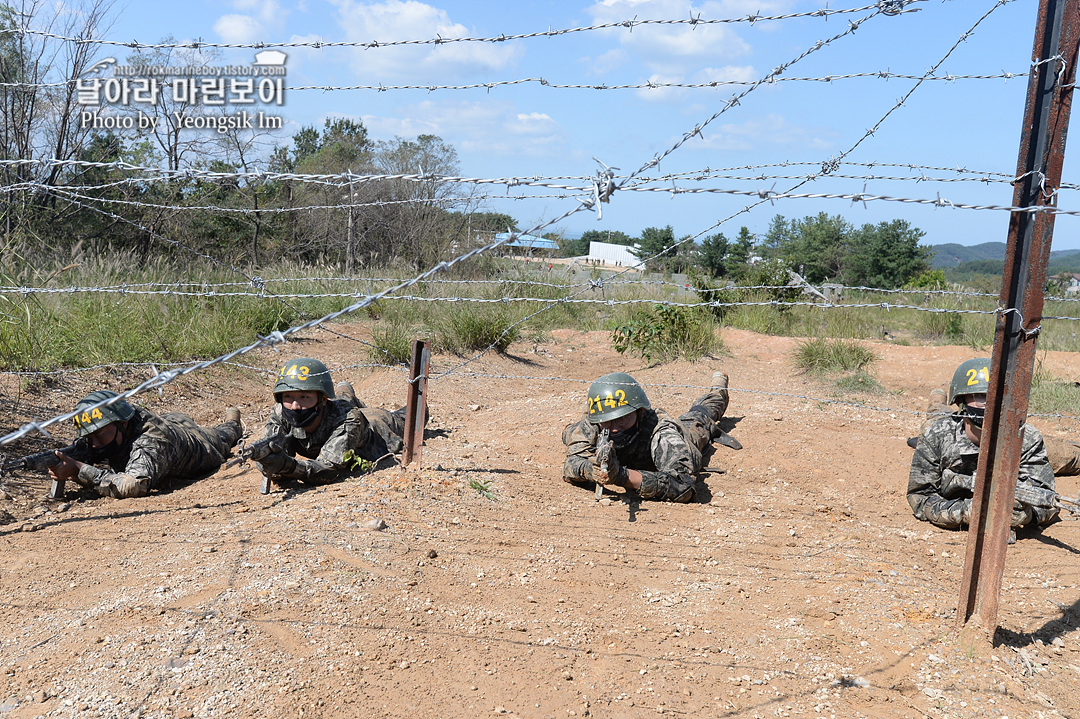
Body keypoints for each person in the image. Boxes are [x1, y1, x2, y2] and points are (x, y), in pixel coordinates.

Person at [907, 358, 1058, 533]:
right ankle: (937, 397)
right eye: (980, 396)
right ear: (961, 401)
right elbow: (920, 497)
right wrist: (965, 512)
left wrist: (1028, 515)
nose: (989, 404)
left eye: (996, 397)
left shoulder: (1026, 439)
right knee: (936, 413)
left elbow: (1050, 501)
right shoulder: (936, 435)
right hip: (946, 423)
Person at [561, 371, 740, 503]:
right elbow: (571, 463)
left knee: (700, 416)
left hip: (686, 435)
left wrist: (622, 476)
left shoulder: (662, 433)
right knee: (569, 434)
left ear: (639, 412)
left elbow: (684, 487)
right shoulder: (598, 419)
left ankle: (718, 389)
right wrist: (590, 470)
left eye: (622, 420)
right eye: (607, 422)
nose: (614, 429)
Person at [48, 390, 242, 498]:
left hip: (198, 443)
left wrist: (79, 470)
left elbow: (131, 486)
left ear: (122, 425)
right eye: (89, 438)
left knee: (224, 435)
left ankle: (233, 420)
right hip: (172, 422)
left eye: (98, 435)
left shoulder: (151, 441)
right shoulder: (115, 418)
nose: (94, 444)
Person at [254, 357, 409, 486]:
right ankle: (344, 389)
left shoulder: (348, 419)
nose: (295, 406)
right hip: (330, 409)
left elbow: (328, 470)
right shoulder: (280, 412)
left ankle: (347, 394)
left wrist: (287, 466)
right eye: (288, 397)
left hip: (374, 428)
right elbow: (275, 450)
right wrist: (266, 461)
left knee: (407, 419)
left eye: (304, 397)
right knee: (342, 399)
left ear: (322, 399)